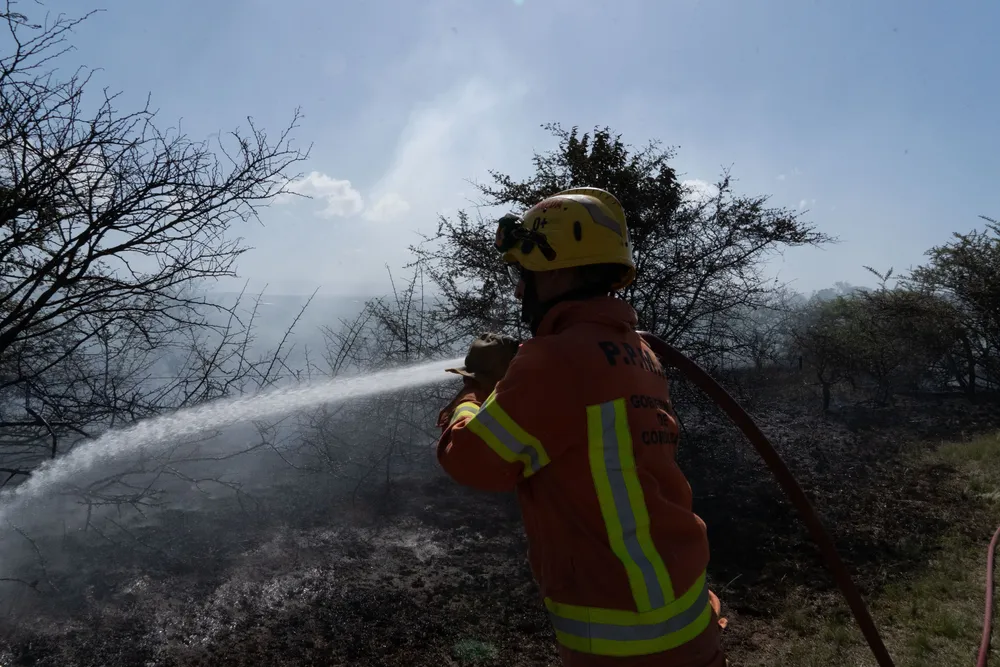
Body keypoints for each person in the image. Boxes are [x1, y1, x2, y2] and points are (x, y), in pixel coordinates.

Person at [435, 187, 728, 667]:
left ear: (561, 272)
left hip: (628, 639)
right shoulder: (636, 350)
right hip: (684, 608)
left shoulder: (555, 359)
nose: (518, 290)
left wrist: (475, 392)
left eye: (525, 274)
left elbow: (473, 462)